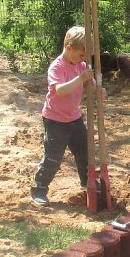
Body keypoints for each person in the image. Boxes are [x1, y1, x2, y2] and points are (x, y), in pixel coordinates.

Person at [31, 26, 100, 206]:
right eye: (80, 55)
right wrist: (80, 79)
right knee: (53, 156)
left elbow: (91, 85)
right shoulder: (57, 67)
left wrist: (98, 89)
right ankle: (39, 188)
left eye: (84, 56)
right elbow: (60, 90)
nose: (82, 59)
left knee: (85, 151)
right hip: (55, 120)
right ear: (69, 48)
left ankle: (88, 183)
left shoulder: (81, 65)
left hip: (74, 118)